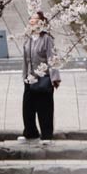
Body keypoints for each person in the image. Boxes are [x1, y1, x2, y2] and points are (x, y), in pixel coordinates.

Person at [18, 11, 60, 143]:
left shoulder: (47, 39)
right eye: (30, 18)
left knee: (44, 108)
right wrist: (24, 76)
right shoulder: (28, 38)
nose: (32, 21)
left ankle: (46, 134)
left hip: (43, 77)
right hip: (29, 78)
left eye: (35, 19)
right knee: (28, 107)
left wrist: (54, 78)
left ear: (41, 22)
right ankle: (30, 132)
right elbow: (25, 60)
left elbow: (52, 58)